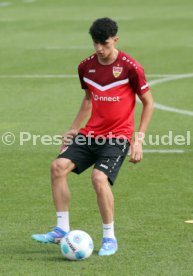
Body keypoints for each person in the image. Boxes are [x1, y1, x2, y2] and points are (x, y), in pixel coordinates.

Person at [32, 17, 154, 256]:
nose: (99, 48)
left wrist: (138, 139)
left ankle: (109, 237)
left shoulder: (131, 67)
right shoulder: (85, 67)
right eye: (95, 42)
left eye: (104, 43)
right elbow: (88, 98)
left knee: (99, 178)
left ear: (115, 40)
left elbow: (148, 103)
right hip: (91, 133)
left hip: (118, 136)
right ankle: (61, 229)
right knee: (57, 167)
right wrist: (74, 128)